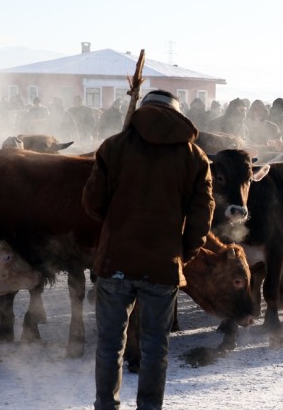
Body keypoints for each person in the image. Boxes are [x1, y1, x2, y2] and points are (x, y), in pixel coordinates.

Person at [82, 90, 215, 410]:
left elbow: (92, 204)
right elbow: (202, 217)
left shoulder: (114, 146)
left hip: (115, 262)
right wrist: (182, 254)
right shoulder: (195, 156)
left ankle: (106, 406)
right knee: (156, 347)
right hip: (163, 265)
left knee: (110, 345)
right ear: (178, 115)